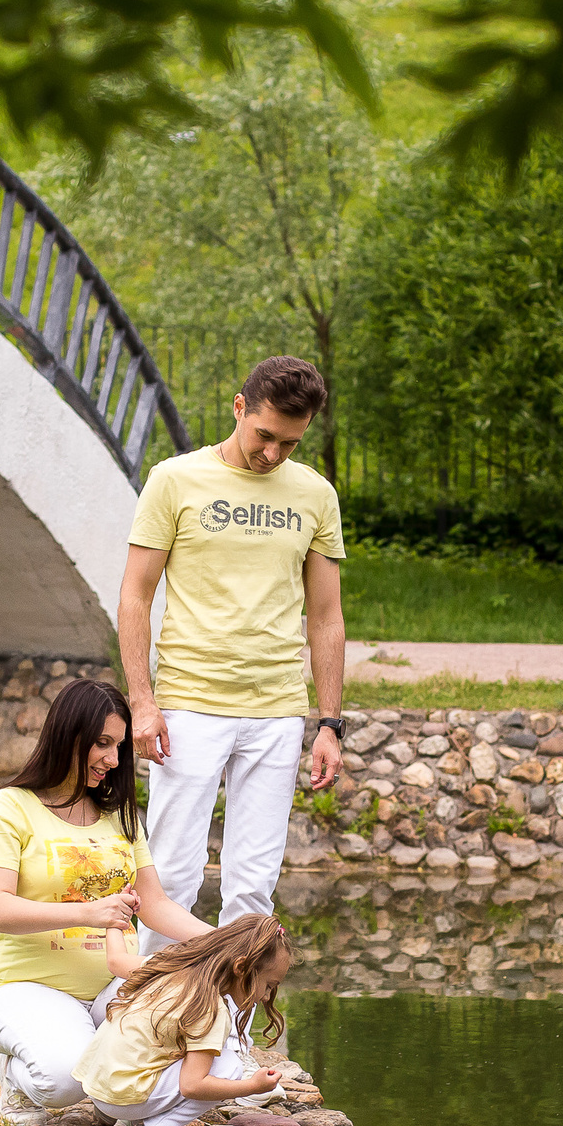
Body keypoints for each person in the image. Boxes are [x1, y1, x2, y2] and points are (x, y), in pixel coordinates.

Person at [121, 355, 349, 949]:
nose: (273, 454)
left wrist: (329, 723)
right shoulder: (173, 480)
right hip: (189, 705)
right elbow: (135, 596)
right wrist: (142, 702)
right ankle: (154, 1019)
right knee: (171, 874)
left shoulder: (316, 494)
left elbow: (325, 617)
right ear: (239, 408)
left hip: (275, 711)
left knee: (253, 888)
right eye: (264, 436)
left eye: (290, 443)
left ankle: (233, 1035)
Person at [0, 677, 211, 1126]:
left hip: (113, 987)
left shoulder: (119, 817)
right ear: (68, 734)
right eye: (102, 743)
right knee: (64, 1079)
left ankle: (117, 1092)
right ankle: (17, 1080)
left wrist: (225, 940)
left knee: (188, 1025)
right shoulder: (10, 806)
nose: (112, 759)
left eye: (118, 746)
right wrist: (88, 912)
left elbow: (155, 904)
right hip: (27, 985)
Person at [75, 914, 292, 1126]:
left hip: (98, 1087)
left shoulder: (171, 964)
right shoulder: (209, 1007)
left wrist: (115, 922)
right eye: (268, 985)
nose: (266, 997)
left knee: (177, 1046)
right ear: (241, 967)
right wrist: (251, 1087)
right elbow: (193, 1086)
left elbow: (116, 961)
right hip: (123, 1099)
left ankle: (132, 1121)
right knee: (229, 1066)